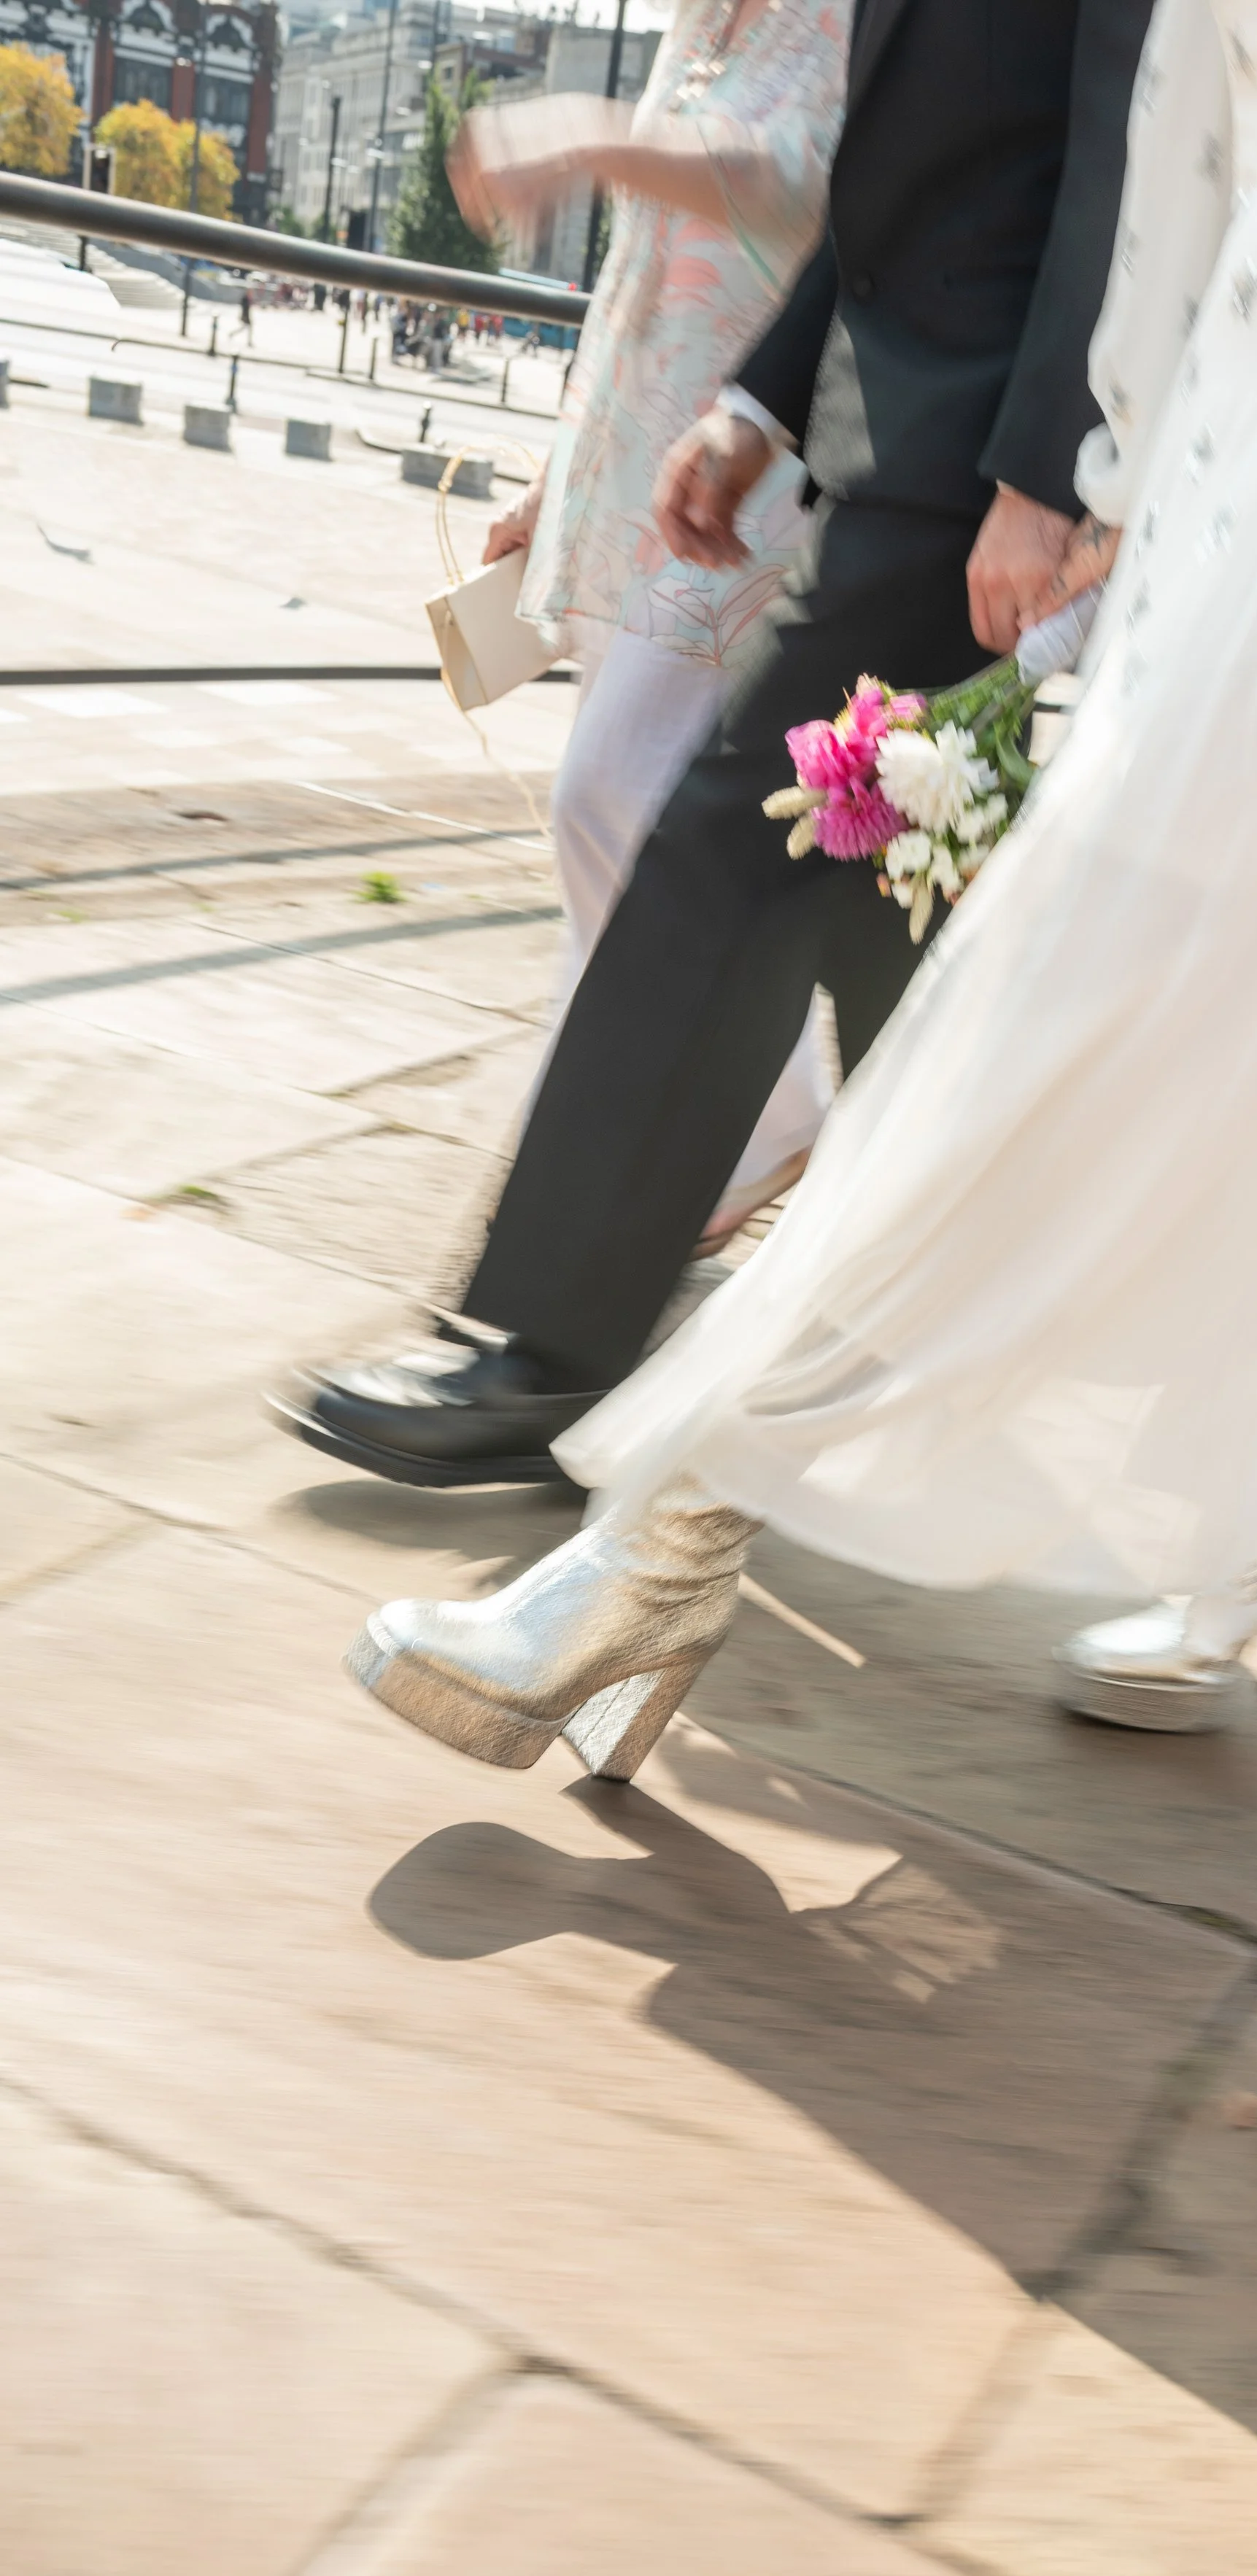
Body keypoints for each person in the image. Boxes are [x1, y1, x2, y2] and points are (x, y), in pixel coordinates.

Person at [339, 0, 1257, 1788]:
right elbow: (1179, 110)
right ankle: (1233, 1521)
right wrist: (1113, 456)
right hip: (1231, 436)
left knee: (1144, 981)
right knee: (1183, 984)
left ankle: (681, 1522)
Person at [274, 0, 1151, 1489]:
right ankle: (895, 1320)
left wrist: (1043, 470)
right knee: (887, 918)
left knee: (715, 855)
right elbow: (902, 173)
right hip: (896, 428)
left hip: (978, 464)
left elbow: (1118, 164)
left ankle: (548, 1353)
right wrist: (759, 399)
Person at [454, 0, 852, 1251]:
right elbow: (640, 282)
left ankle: (762, 1111)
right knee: (618, 837)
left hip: (755, 476)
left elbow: (805, 194)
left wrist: (589, 138)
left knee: (608, 796)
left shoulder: (841, 18)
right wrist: (555, 479)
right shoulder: (697, 23)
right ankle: (590, 1180)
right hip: (642, 478)